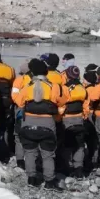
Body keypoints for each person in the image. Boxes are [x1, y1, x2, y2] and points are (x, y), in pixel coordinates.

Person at [14, 59, 66, 188]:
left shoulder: (27, 87)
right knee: (48, 154)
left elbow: (19, 102)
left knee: (30, 152)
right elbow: (63, 101)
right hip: (47, 123)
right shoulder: (54, 87)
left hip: (28, 123)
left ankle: (31, 178)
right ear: (46, 72)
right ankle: (49, 180)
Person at [59, 66, 88, 177]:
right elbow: (86, 106)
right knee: (80, 145)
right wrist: (84, 116)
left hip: (67, 119)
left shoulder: (64, 88)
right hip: (79, 119)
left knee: (67, 144)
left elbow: (60, 104)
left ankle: (67, 167)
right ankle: (79, 169)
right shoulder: (83, 88)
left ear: (68, 75)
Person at [81, 64, 100, 174]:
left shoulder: (86, 90)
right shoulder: (97, 88)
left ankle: (88, 161)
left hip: (87, 116)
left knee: (87, 140)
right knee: (94, 140)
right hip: (95, 115)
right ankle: (95, 161)